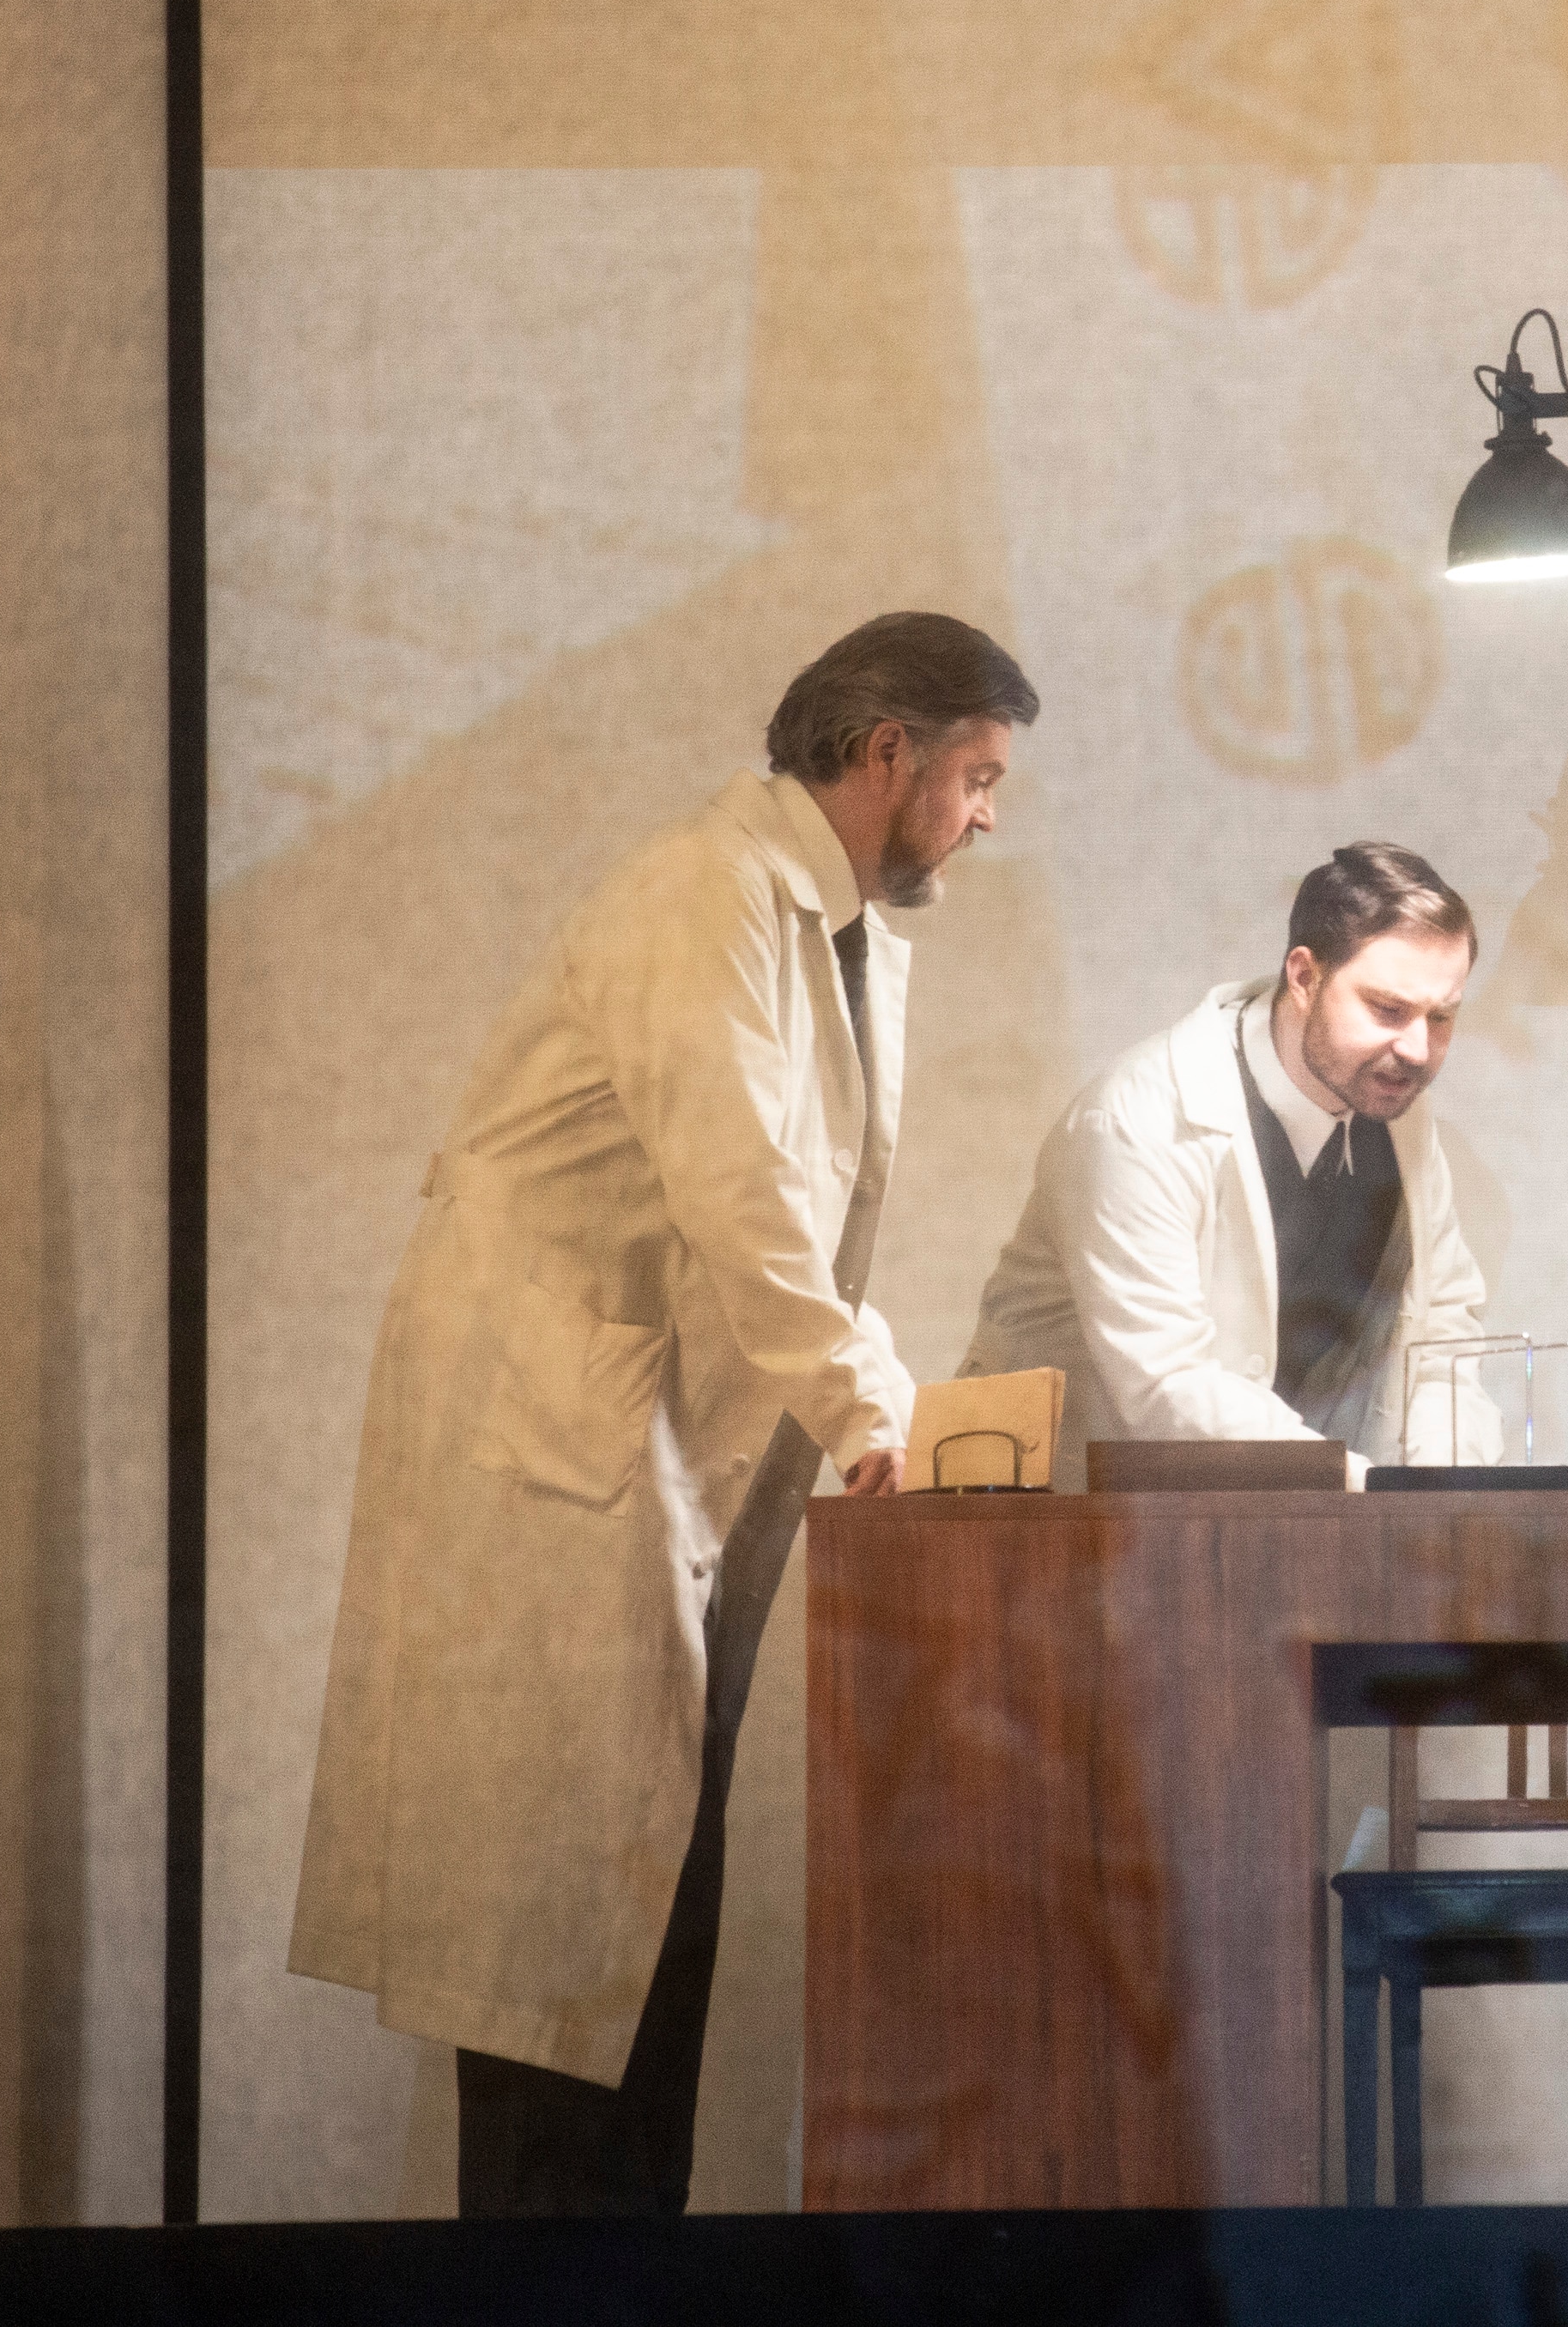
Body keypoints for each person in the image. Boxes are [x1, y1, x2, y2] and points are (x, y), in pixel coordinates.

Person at [288, 610, 1039, 2216]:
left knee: (632, 1923)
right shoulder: (704, 896)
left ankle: (626, 2279)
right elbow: (746, 1197)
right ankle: (567, 2293)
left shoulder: (806, 915)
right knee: (568, 1934)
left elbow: (795, 1222)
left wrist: (879, 1407)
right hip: (556, 1456)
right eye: (976, 777)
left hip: (640, 1466)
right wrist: (872, 1419)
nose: (988, 817)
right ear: (885, 751)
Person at [968, 842, 1503, 1476]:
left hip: (1275, 1524)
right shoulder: (1134, 1119)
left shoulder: (1398, 1114)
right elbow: (1166, 1386)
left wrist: (1442, 1491)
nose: (1417, 1048)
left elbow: (1441, 1336)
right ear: (1304, 977)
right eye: (1387, 1009)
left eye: (1441, 1016)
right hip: (1047, 1531)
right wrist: (1370, 1489)